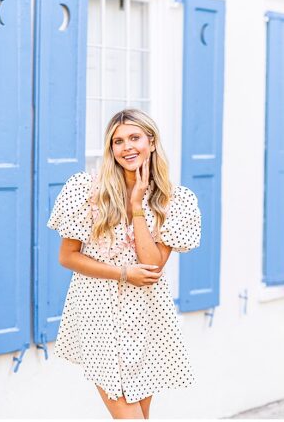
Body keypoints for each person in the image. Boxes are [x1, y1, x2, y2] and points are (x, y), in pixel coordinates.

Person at [49, 108, 201, 419]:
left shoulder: (175, 200)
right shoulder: (86, 190)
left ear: (152, 142)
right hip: (96, 308)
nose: (127, 147)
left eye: (134, 138)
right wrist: (122, 273)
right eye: (118, 141)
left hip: (146, 313)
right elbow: (68, 256)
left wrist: (136, 205)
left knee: (141, 415)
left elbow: (153, 266)